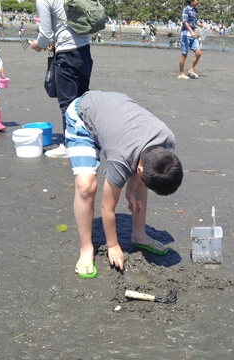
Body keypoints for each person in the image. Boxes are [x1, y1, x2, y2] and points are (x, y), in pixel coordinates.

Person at [64, 90, 183, 278]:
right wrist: (113, 245)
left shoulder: (167, 140)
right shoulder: (120, 159)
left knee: (147, 179)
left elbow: (142, 163)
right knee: (86, 186)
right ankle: (86, 248)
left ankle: (139, 234)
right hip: (82, 116)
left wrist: (132, 190)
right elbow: (107, 208)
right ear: (139, 169)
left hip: (117, 116)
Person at [30, 0, 93, 158]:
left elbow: (45, 34)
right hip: (84, 51)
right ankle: (85, 138)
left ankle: (68, 145)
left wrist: (38, 46)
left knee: (68, 103)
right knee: (81, 99)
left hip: (66, 54)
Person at [178, 0, 203, 79]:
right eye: (197, 0)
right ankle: (181, 73)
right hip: (185, 34)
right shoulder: (186, 9)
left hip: (193, 36)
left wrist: (203, 25)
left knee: (198, 53)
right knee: (184, 54)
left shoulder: (195, 10)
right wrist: (192, 32)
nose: (198, 2)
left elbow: (195, 22)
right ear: (191, 1)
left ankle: (191, 69)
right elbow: (185, 22)